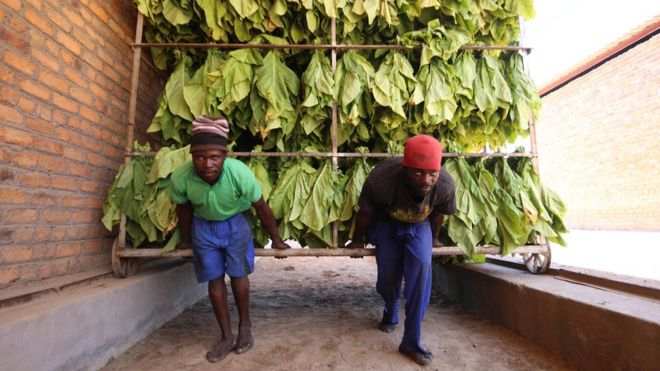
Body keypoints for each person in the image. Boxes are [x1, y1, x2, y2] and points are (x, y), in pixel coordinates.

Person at [170, 115, 290, 363]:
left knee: (237, 275)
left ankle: (245, 327)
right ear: (192, 157)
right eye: (200, 157)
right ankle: (226, 336)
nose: (207, 164)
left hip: (236, 222)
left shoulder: (239, 173)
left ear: (225, 156)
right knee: (214, 280)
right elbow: (183, 210)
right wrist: (185, 239)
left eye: (214, 157)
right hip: (203, 226)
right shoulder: (181, 177)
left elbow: (261, 207)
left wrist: (276, 239)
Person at [347, 134, 456, 366]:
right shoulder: (380, 180)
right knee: (388, 276)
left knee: (421, 273)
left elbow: (438, 214)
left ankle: (411, 341)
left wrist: (434, 238)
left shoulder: (445, 185)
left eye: (432, 173)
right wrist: (357, 240)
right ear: (405, 168)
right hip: (386, 223)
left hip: (420, 225)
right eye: (418, 172)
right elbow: (365, 213)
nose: (426, 179)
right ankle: (390, 308)